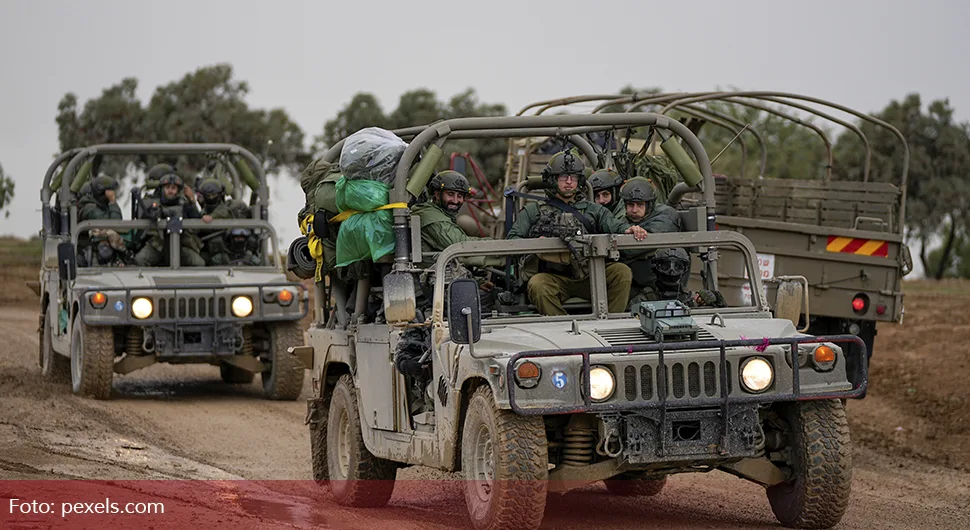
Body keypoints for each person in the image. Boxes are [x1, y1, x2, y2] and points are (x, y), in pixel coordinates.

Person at [507, 151, 646, 316]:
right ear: (552, 179)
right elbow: (512, 239)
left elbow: (613, 224)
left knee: (621, 272)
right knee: (537, 285)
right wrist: (538, 243)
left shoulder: (593, 210)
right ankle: (563, 328)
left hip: (591, 275)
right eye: (563, 177)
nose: (568, 182)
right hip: (554, 278)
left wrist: (628, 229)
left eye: (573, 177)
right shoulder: (533, 211)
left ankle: (610, 323)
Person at [618, 177, 686, 310]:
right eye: (630, 205)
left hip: (660, 284)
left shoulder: (666, 216)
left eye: (640, 205)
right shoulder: (623, 219)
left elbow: (631, 248)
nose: (634, 210)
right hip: (634, 282)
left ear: (649, 205)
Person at [133, 172, 206, 267]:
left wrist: (192, 201)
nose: (170, 191)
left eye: (173, 188)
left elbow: (198, 224)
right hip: (158, 245)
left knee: (199, 263)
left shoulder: (185, 206)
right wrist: (154, 213)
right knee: (140, 259)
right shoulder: (154, 204)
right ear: (162, 189)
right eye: (167, 188)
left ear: (178, 190)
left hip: (181, 246)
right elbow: (143, 225)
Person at [634, 247, 726, 309]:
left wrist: (715, 302)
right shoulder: (645, 298)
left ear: (685, 269)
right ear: (656, 268)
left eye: (677, 266)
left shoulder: (691, 298)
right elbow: (631, 321)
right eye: (665, 266)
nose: (671, 271)